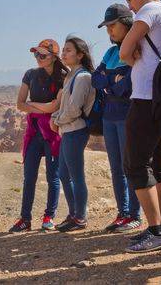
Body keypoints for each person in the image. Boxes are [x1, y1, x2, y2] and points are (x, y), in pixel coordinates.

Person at [119, 0, 161, 253]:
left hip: (145, 97)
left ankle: (155, 231)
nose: (130, 7)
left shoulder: (149, 10)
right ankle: (160, 226)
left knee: (136, 163)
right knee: (159, 163)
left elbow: (124, 51)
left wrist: (132, 57)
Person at [92, 4, 142, 233]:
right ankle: (122, 213)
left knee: (130, 165)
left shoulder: (136, 48)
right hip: (109, 116)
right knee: (115, 167)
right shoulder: (111, 53)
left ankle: (135, 214)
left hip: (128, 114)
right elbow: (96, 80)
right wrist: (114, 79)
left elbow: (126, 86)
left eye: (113, 25)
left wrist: (110, 80)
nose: (109, 30)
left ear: (126, 23)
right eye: (107, 27)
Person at [9, 39, 65, 233]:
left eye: (42, 55)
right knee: (29, 177)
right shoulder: (30, 75)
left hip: (53, 132)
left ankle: (49, 216)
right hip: (34, 132)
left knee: (53, 177)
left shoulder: (63, 77)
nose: (38, 58)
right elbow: (20, 104)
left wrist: (34, 107)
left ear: (54, 57)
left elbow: (55, 107)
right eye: (36, 55)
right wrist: (45, 108)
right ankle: (25, 219)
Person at [50, 36, 95, 232]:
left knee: (76, 176)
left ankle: (80, 217)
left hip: (76, 130)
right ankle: (74, 213)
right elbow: (65, 106)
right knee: (64, 173)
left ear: (80, 55)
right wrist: (56, 117)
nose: (64, 53)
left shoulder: (83, 77)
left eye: (69, 50)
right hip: (68, 130)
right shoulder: (71, 75)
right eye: (64, 50)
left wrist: (57, 120)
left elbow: (74, 109)